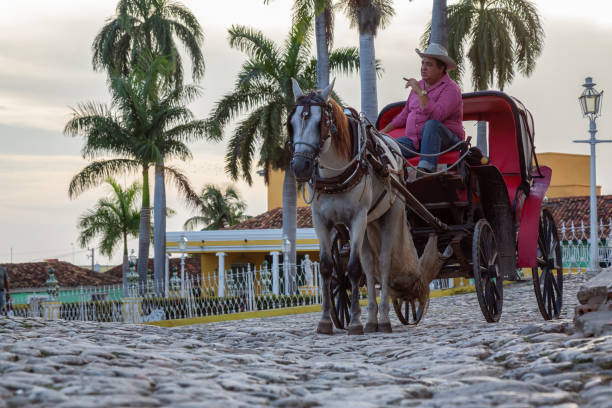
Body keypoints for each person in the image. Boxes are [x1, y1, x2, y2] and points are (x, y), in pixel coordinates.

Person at [380, 43, 465, 173]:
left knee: (431, 125)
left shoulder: (451, 89)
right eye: (422, 64)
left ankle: (425, 172)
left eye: (429, 65)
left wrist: (420, 92)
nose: (423, 68)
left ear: (441, 68)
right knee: (385, 146)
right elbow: (404, 115)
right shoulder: (419, 85)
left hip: (447, 141)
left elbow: (437, 116)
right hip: (415, 142)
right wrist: (381, 134)